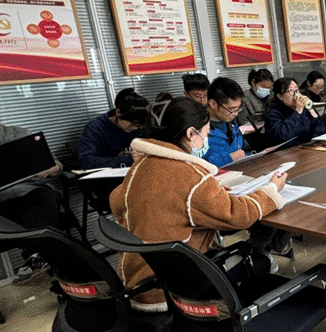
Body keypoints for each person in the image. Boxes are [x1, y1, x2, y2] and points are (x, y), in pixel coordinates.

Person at [110, 97, 288, 310]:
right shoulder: (189, 174)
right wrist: (271, 190)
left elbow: (117, 200)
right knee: (263, 261)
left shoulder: (140, 167)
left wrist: (204, 194)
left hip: (139, 281)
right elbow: (238, 215)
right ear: (190, 134)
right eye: (206, 133)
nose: (206, 140)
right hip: (177, 288)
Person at [0, 90, 67, 282]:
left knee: (43, 196)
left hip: (30, 199)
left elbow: (56, 165)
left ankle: (38, 255)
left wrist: (51, 169)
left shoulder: (19, 135)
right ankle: (40, 254)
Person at [76, 89, 149, 169]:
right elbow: (86, 161)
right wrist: (129, 159)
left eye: (139, 126)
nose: (135, 128)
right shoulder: (95, 128)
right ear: (118, 112)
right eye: (132, 124)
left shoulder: (142, 125)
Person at [263, 77, 325, 146]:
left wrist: (314, 139)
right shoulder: (273, 114)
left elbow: (319, 124)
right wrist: (298, 112)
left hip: (307, 147)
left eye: (296, 90)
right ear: (280, 96)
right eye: (291, 91)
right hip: (286, 150)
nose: (296, 94)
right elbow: (283, 135)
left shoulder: (305, 108)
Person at [202, 77, 248, 167]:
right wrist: (229, 158)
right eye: (232, 109)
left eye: (238, 109)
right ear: (213, 104)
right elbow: (198, 164)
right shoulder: (199, 128)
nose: (236, 114)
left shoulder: (231, 122)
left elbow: (245, 149)